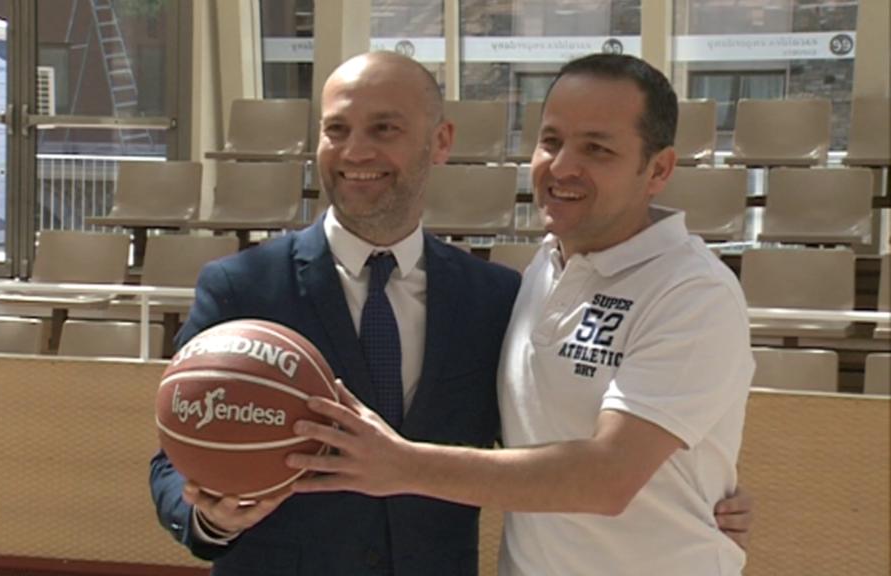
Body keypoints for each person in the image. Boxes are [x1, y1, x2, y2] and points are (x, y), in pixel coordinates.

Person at [289, 53, 755, 576]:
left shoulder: (693, 290)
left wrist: (401, 466)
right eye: (551, 141)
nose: (561, 167)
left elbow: (607, 478)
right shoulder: (540, 272)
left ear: (660, 169)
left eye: (597, 149)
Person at [150, 51, 522, 575]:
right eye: (336, 129)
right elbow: (173, 459)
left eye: (384, 128)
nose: (355, 150)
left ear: (441, 141)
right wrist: (214, 518)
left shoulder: (493, 298)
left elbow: (522, 460)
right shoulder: (243, 287)